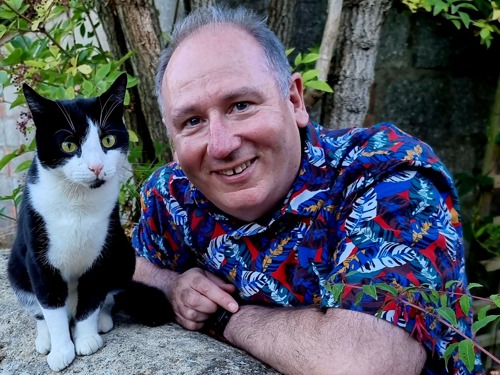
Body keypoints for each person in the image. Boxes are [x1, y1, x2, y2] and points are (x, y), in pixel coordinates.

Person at [132, 5, 484, 375]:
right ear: (173, 141)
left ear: (294, 100)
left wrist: (225, 316)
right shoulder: (172, 194)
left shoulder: (388, 174)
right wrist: (172, 286)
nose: (220, 145)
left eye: (240, 105)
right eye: (192, 121)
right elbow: (124, 266)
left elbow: (363, 366)